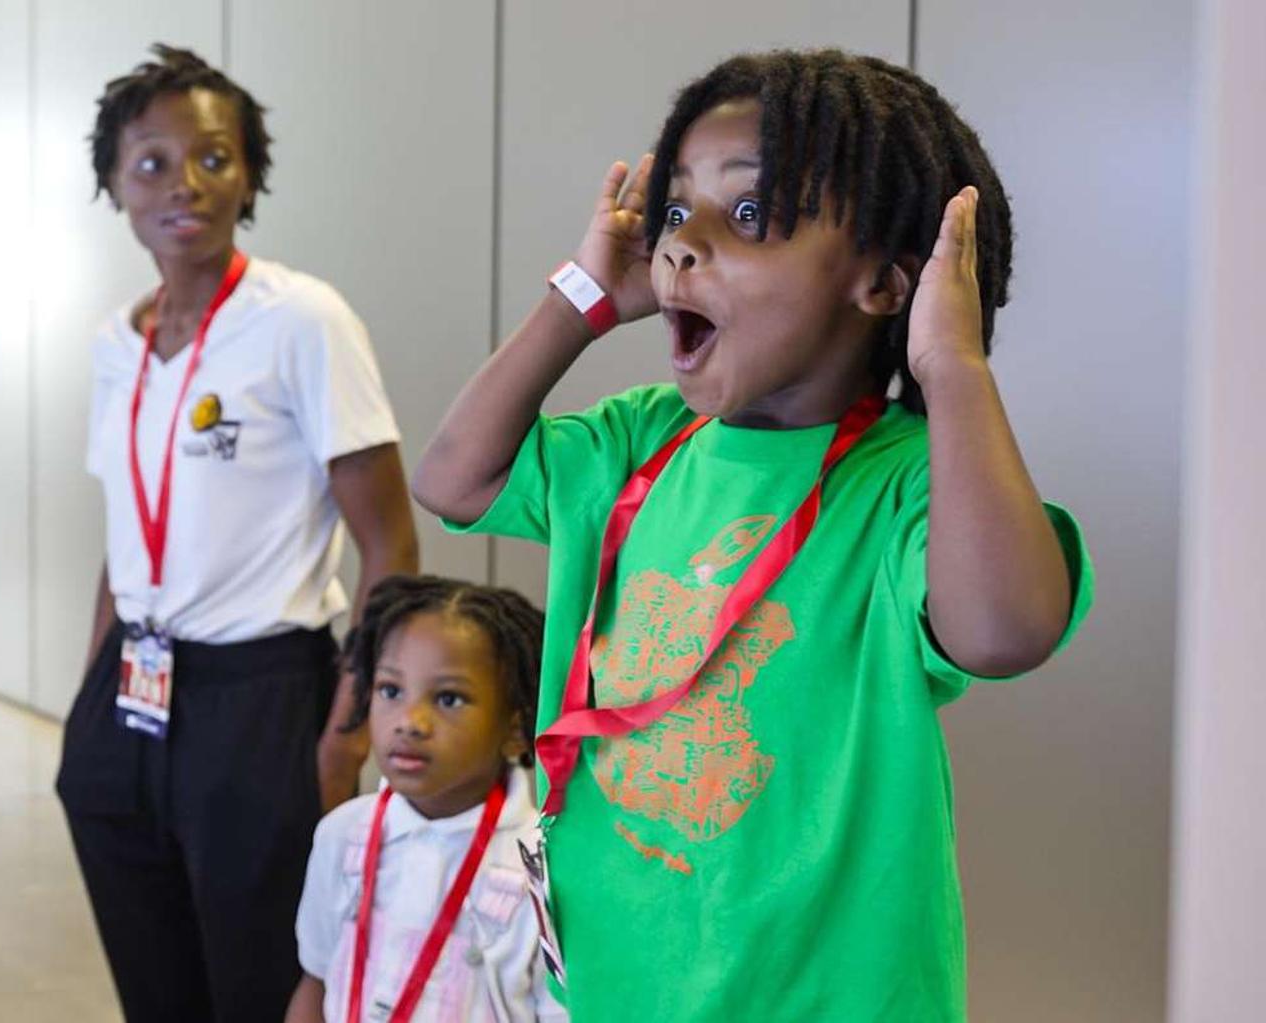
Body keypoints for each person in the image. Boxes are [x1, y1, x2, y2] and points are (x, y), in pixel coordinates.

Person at [411, 49, 1095, 1020]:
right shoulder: (641, 440)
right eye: (674, 209)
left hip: (832, 998)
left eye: (743, 216)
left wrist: (951, 368)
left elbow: (1002, 632)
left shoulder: (907, 481)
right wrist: (580, 297)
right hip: (612, 982)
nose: (681, 244)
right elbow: (453, 479)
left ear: (880, 284)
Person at [54, 44, 420, 1022]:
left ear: (248, 173)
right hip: (129, 693)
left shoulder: (301, 319)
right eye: (151, 162)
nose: (185, 183)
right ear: (113, 183)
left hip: (257, 698)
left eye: (213, 157)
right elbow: (125, 528)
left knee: (260, 987)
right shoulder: (113, 341)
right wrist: (90, 694)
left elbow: (389, 542)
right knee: (154, 985)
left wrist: (344, 741)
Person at [286, 576, 563, 1023]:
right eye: (391, 691)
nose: (410, 722)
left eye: (449, 699)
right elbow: (315, 982)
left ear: (514, 728)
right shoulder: (341, 835)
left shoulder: (544, 868)